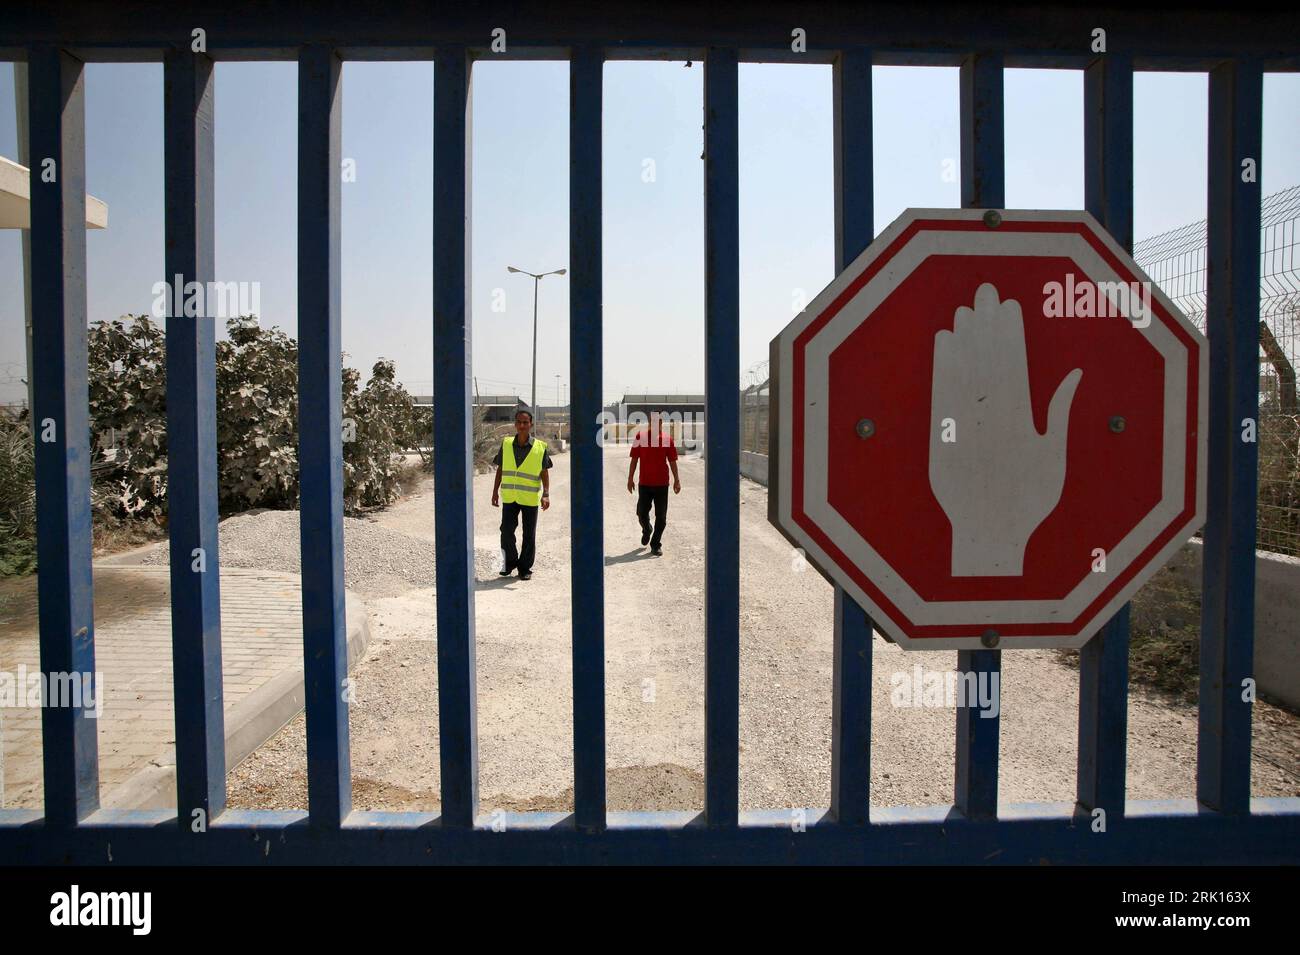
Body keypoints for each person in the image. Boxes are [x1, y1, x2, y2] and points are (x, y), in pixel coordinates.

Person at [491, 409, 552, 580]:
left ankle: (525, 568)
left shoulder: (540, 448)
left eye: (526, 422)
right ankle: (509, 564)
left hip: (530, 498)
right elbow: (501, 469)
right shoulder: (506, 444)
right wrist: (495, 491)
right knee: (506, 531)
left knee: (529, 534)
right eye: (519, 422)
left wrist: (546, 494)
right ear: (515, 424)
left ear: (531, 424)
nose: (522, 425)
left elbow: (544, 472)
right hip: (510, 496)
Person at [627, 411, 680, 556]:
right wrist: (630, 478)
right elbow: (634, 459)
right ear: (649, 423)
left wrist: (677, 479)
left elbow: (673, 461)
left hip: (662, 484)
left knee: (661, 517)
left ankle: (655, 544)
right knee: (641, 513)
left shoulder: (667, 440)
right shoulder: (640, 437)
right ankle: (647, 529)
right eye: (653, 422)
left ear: (662, 424)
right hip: (644, 483)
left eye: (658, 422)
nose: (655, 424)